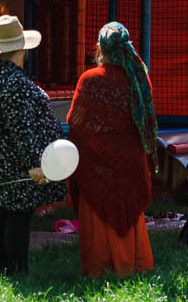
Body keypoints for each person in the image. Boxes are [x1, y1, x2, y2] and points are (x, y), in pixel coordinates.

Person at [0, 15, 66, 276]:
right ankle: (17, 270)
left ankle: (5, 269)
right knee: (17, 217)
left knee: (4, 214)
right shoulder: (14, 82)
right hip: (16, 163)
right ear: (21, 48)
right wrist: (34, 164)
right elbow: (21, 129)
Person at [67, 22, 158, 278]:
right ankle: (133, 264)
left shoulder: (90, 79)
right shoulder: (138, 78)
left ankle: (101, 268)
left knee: (98, 215)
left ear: (101, 48)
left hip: (96, 167)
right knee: (129, 217)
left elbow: (76, 125)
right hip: (131, 164)